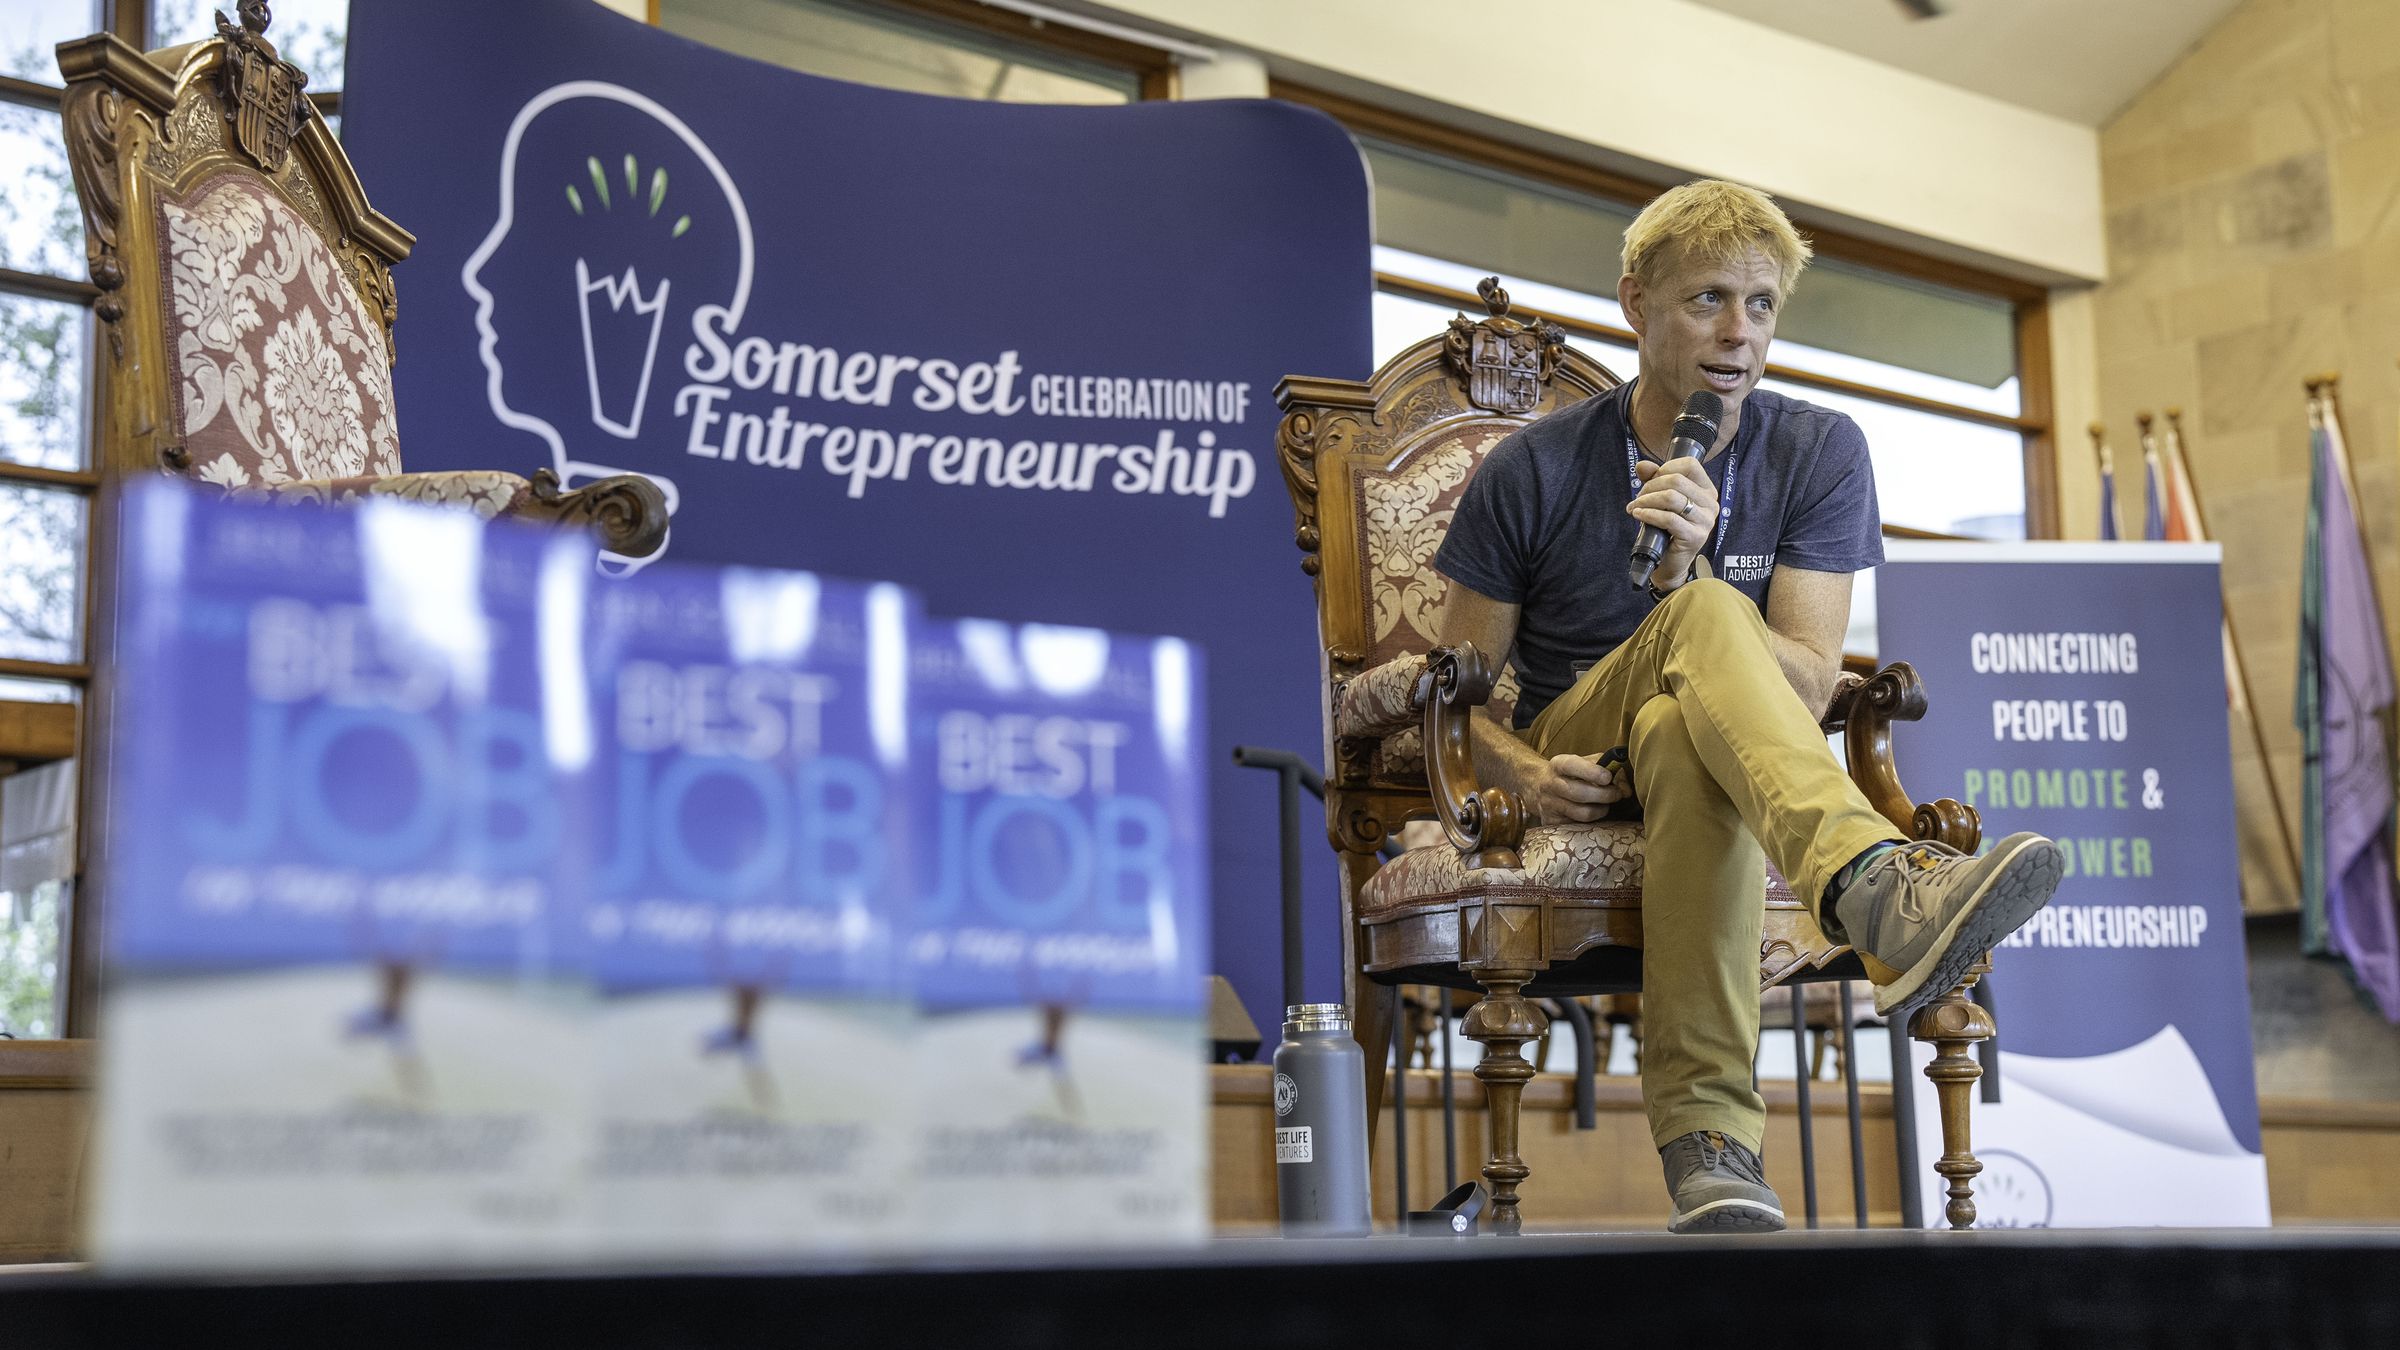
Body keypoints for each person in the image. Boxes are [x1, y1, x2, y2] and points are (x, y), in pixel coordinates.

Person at [1431, 180, 2064, 1233]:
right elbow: (1452, 701)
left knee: (1687, 719)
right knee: (1706, 614)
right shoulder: (1531, 468)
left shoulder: (1820, 450)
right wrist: (1527, 777)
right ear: (1636, 304)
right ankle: (1873, 884)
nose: (1740, 332)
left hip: (1711, 746)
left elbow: (1809, 684)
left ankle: (1710, 1146)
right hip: (1576, 744)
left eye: (1762, 304)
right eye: (1708, 300)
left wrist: (1689, 574)